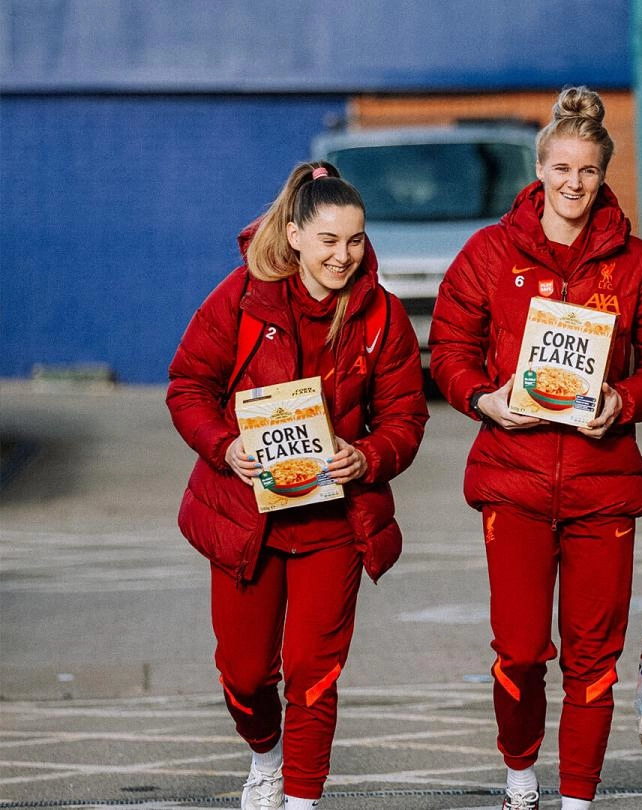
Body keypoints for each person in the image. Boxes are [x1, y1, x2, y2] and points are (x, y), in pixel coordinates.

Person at [428, 86, 642, 810]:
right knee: (517, 652)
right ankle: (520, 774)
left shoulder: (636, 264)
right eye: (562, 169)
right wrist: (484, 399)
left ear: (604, 176)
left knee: (594, 660)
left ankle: (577, 798)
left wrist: (623, 401)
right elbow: (448, 346)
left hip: (601, 485)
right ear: (539, 169)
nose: (574, 184)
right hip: (511, 482)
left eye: (588, 172)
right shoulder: (489, 254)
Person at [167, 161, 428, 810]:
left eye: (356, 241)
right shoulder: (241, 300)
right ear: (295, 236)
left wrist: (367, 458)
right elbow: (188, 387)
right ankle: (266, 756)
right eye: (330, 241)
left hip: (332, 527)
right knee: (246, 674)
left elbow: (406, 417)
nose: (344, 256)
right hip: (245, 521)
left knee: (314, 677)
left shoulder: (380, 316)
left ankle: (303, 800)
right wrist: (224, 446)